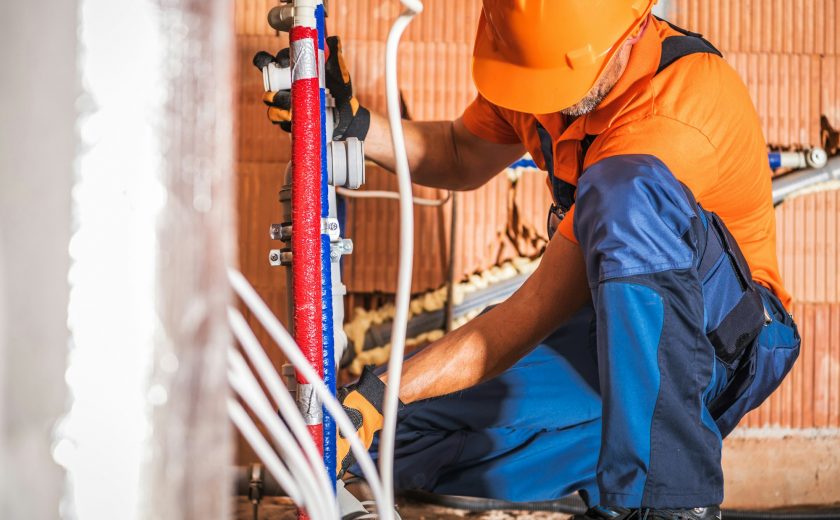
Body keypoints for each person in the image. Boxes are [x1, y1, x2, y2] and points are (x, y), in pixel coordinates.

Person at [256, 2, 801, 519]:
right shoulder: (538, 69)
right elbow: (458, 152)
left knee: (624, 191)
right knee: (379, 435)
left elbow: (529, 311)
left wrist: (380, 389)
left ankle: (666, 500)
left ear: (633, 27)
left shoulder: (676, 108)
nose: (554, 102)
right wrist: (357, 126)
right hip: (609, 336)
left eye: (564, 82)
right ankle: (620, 457)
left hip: (725, 341)